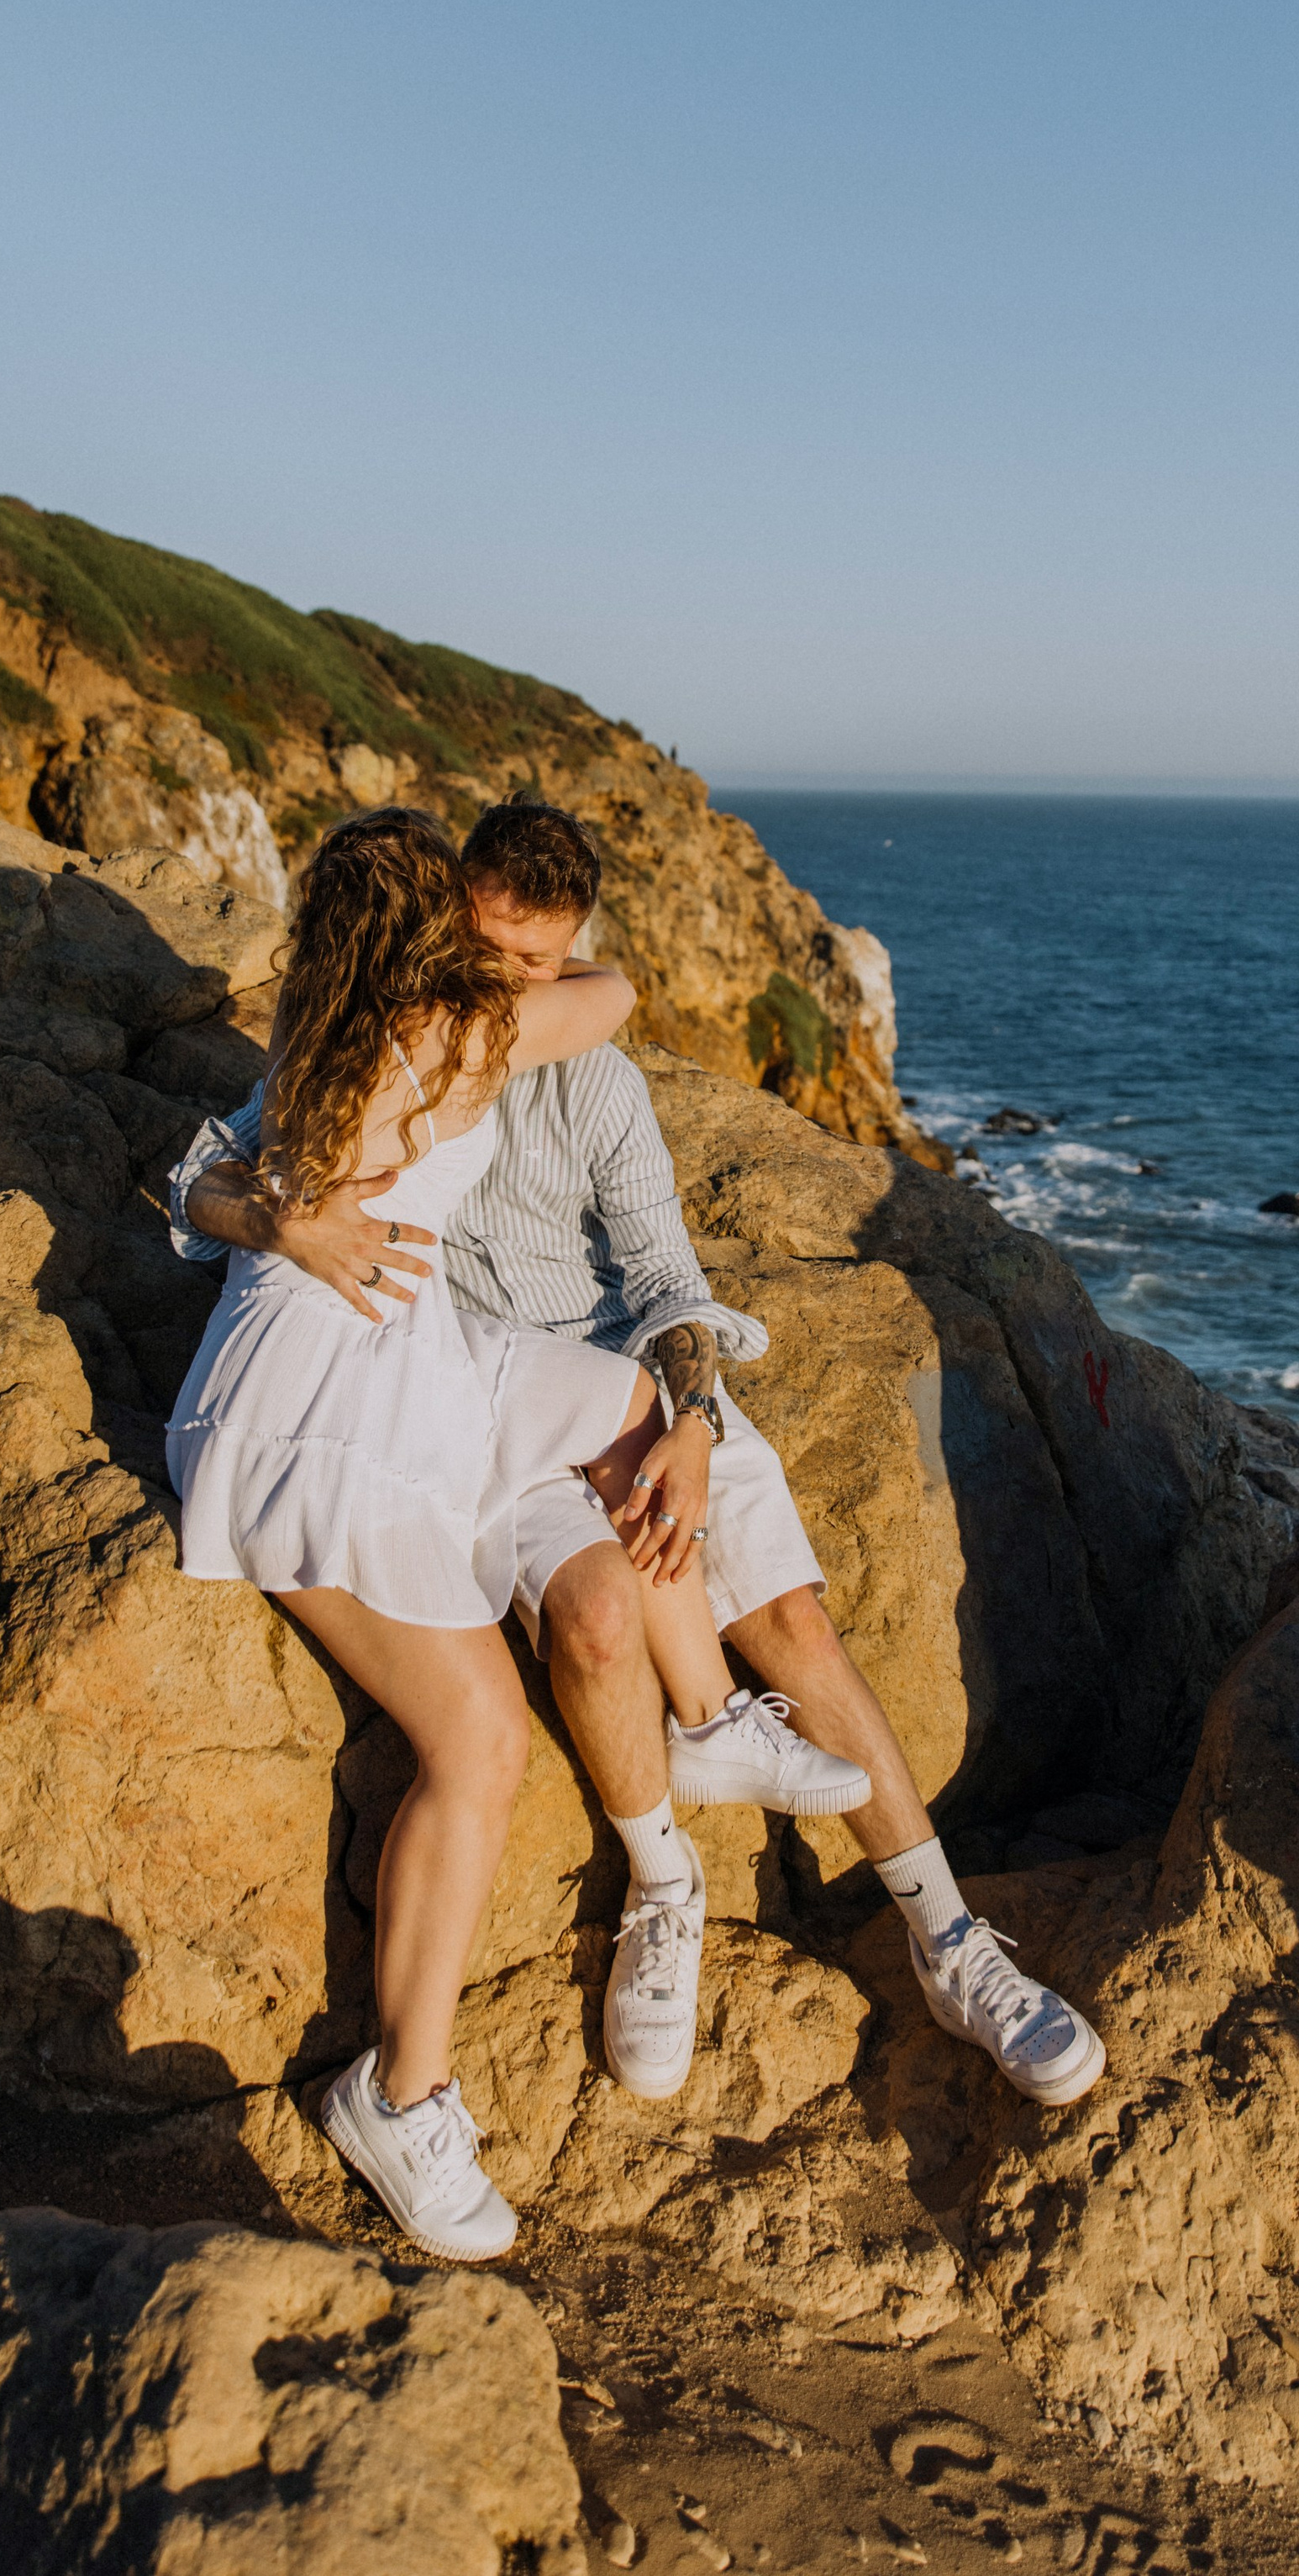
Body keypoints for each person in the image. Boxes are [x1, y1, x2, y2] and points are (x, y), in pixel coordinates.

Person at [173, 798, 1106, 2115]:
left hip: (630, 1380)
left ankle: (950, 1940)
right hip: (464, 1406)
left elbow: (668, 1275)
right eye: (495, 951)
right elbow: (201, 1177)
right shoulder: (399, 1031)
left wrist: (693, 1421)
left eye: (543, 961)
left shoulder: (594, 1078)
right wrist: (283, 1223)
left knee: (790, 1619)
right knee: (601, 1615)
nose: (518, 980)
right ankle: (668, 1889)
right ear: (448, 925)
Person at [166, 804, 866, 2265]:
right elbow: (612, 996)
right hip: (313, 1413)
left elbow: (190, 1181)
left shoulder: (329, 1031)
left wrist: (280, 1218)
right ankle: (398, 2095)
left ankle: (707, 1719)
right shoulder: (452, 1036)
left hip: (384, 1347)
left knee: (628, 1399)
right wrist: (294, 1220)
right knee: (478, 1742)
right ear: (426, 937)